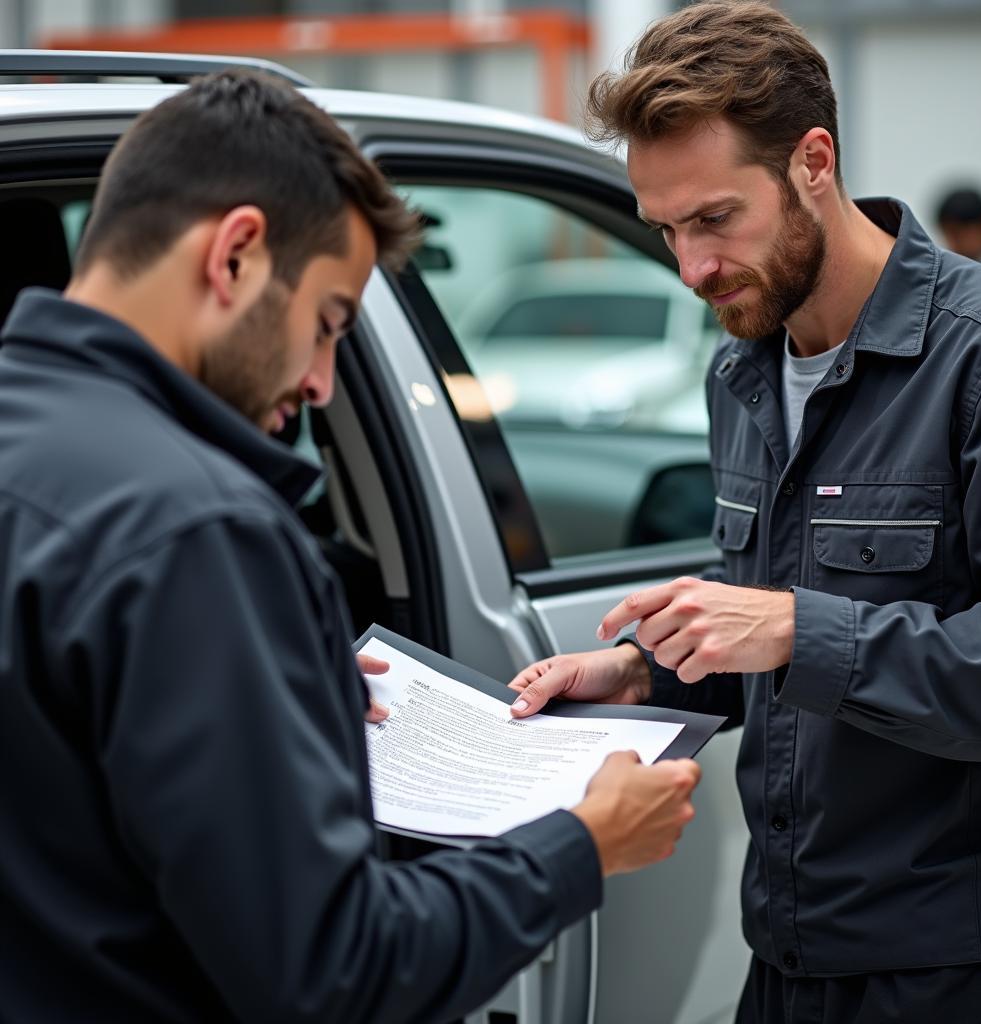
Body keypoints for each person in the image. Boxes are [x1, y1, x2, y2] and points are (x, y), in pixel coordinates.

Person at [0, 70, 702, 1022]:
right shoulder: (201, 531)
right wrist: (584, 845)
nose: (326, 382)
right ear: (238, 255)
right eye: (329, 322)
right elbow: (338, 975)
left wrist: (278, 687)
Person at [507, 3, 981, 1020]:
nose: (690, 268)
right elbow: (769, 655)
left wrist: (794, 625)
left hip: (954, 975)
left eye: (712, 219)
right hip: (783, 953)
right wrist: (640, 672)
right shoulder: (740, 374)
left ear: (812, 161)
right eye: (665, 230)